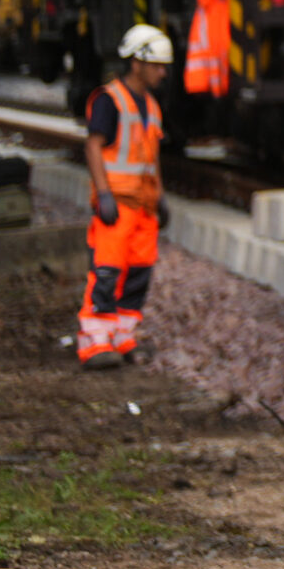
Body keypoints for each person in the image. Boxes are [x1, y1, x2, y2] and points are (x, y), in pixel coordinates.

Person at [80, 25, 170, 370]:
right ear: (137, 64)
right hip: (116, 205)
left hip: (143, 208)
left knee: (137, 276)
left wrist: (160, 197)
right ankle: (95, 343)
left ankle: (121, 338)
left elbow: (151, 156)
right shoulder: (110, 99)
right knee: (106, 273)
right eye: (158, 65)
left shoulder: (151, 105)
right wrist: (103, 194)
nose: (163, 72)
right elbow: (93, 145)